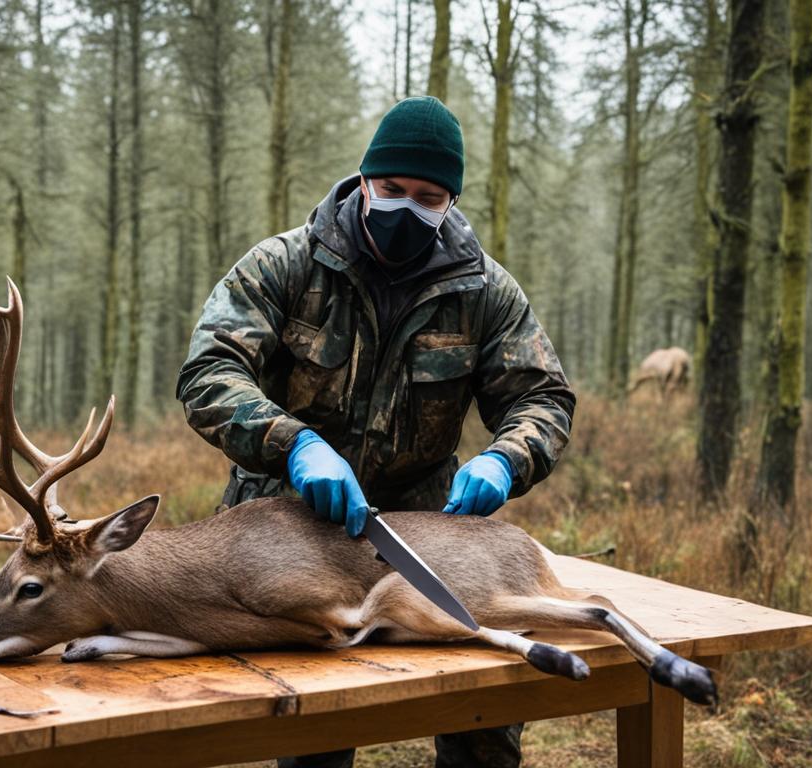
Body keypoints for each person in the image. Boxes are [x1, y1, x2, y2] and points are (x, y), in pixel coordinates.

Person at [175, 95, 575, 768]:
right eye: (391, 189)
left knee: (485, 712)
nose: (405, 208)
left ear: (450, 201)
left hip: (426, 529)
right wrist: (293, 444)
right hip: (286, 527)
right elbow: (209, 372)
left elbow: (542, 396)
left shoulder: (484, 292)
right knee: (313, 724)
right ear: (364, 181)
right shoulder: (286, 266)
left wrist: (507, 460)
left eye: (428, 197)